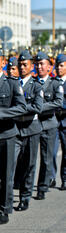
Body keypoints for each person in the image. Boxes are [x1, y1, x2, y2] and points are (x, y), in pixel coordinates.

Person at [0, 47, 27, 225]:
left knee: (7, 174)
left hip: (7, 134)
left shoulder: (12, 83)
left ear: (3, 62)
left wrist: (0, 113)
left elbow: (22, 107)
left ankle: (4, 209)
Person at [13, 50, 44, 212]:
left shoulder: (36, 85)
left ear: (31, 66)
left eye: (25, 65)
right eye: (20, 65)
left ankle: (24, 197)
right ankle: (8, 196)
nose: (22, 67)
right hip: (16, 129)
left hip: (31, 129)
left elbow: (38, 107)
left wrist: (18, 109)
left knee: (29, 165)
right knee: (11, 163)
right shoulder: (12, 83)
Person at [34, 52, 63, 200]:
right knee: (30, 159)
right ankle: (24, 185)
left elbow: (58, 103)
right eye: (37, 64)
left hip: (48, 124)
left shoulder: (55, 83)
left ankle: (42, 187)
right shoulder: (31, 83)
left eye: (42, 64)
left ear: (49, 67)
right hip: (32, 125)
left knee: (46, 158)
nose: (39, 67)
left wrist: (39, 107)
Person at [55, 54, 66, 191]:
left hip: (64, 121)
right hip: (52, 121)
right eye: (58, 65)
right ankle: (50, 177)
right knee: (50, 153)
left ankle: (64, 178)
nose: (59, 68)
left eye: (62, 65)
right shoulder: (53, 82)